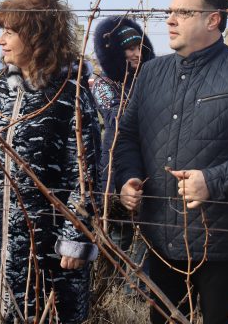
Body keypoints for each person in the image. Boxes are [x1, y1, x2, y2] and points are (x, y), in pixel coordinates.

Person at [115, 0, 228, 323]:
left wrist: (214, 180)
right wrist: (128, 178)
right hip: (160, 239)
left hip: (222, 242)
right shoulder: (150, 74)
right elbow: (128, 136)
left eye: (183, 12)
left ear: (213, 20)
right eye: (170, 12)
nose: (170, 20)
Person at [0, 0, 101, 323]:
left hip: (51, 250)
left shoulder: (69, 94)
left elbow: (85, 171)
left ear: (36, 36)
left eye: (10, 32)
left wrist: (75, 236)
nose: (1, 41)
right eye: (1, 30)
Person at [92, 16, 155, 290]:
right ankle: (108, 287)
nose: (136, 53)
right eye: (128, 49)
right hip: (116, 167)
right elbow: (119, 118)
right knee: (118, 229)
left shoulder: (151, 77)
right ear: (114, 52)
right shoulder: (103, 85)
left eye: (139, 47)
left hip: (152, 163)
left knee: (149, 233)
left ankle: (136, 291)